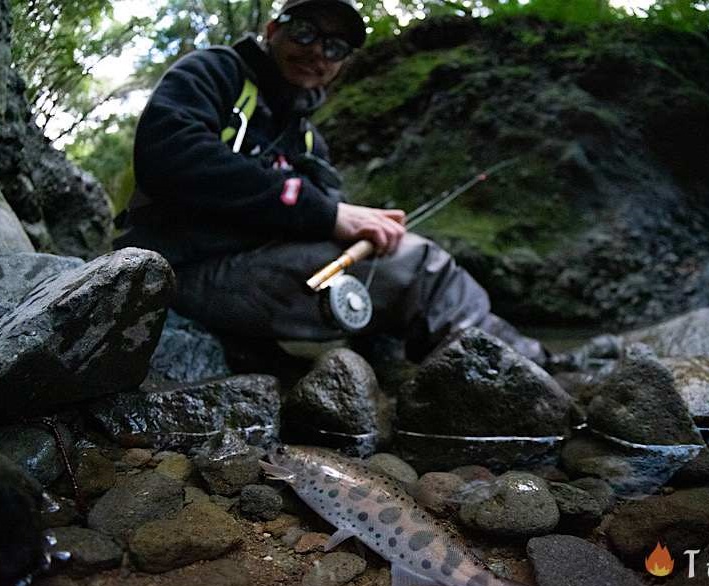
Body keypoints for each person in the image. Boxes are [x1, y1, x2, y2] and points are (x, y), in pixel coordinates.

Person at [114, 0, 547, 363]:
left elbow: (319, 223)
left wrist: (360, 228)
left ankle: (482, 366)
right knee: (422, 268)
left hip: (257, 268)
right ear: (272, 30)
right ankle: (519, 369)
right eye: (305, 33)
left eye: (335, 47)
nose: (318, 52)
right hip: (176, 271)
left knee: (391, 261)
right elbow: (169, 157)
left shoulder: (307, 139)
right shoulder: (214, 72)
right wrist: (326, 212)